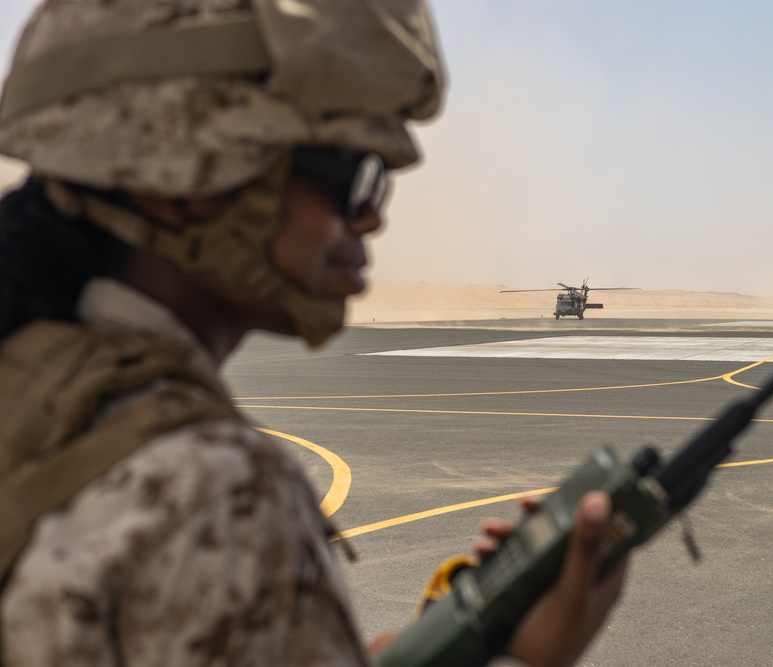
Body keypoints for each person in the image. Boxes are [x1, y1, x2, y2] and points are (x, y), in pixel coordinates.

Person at [0, 2, 628, 666]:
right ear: (185, 181)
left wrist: (457, 634)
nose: (369, 220)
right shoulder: (214, 492)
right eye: (350, 177)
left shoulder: (36, 387)